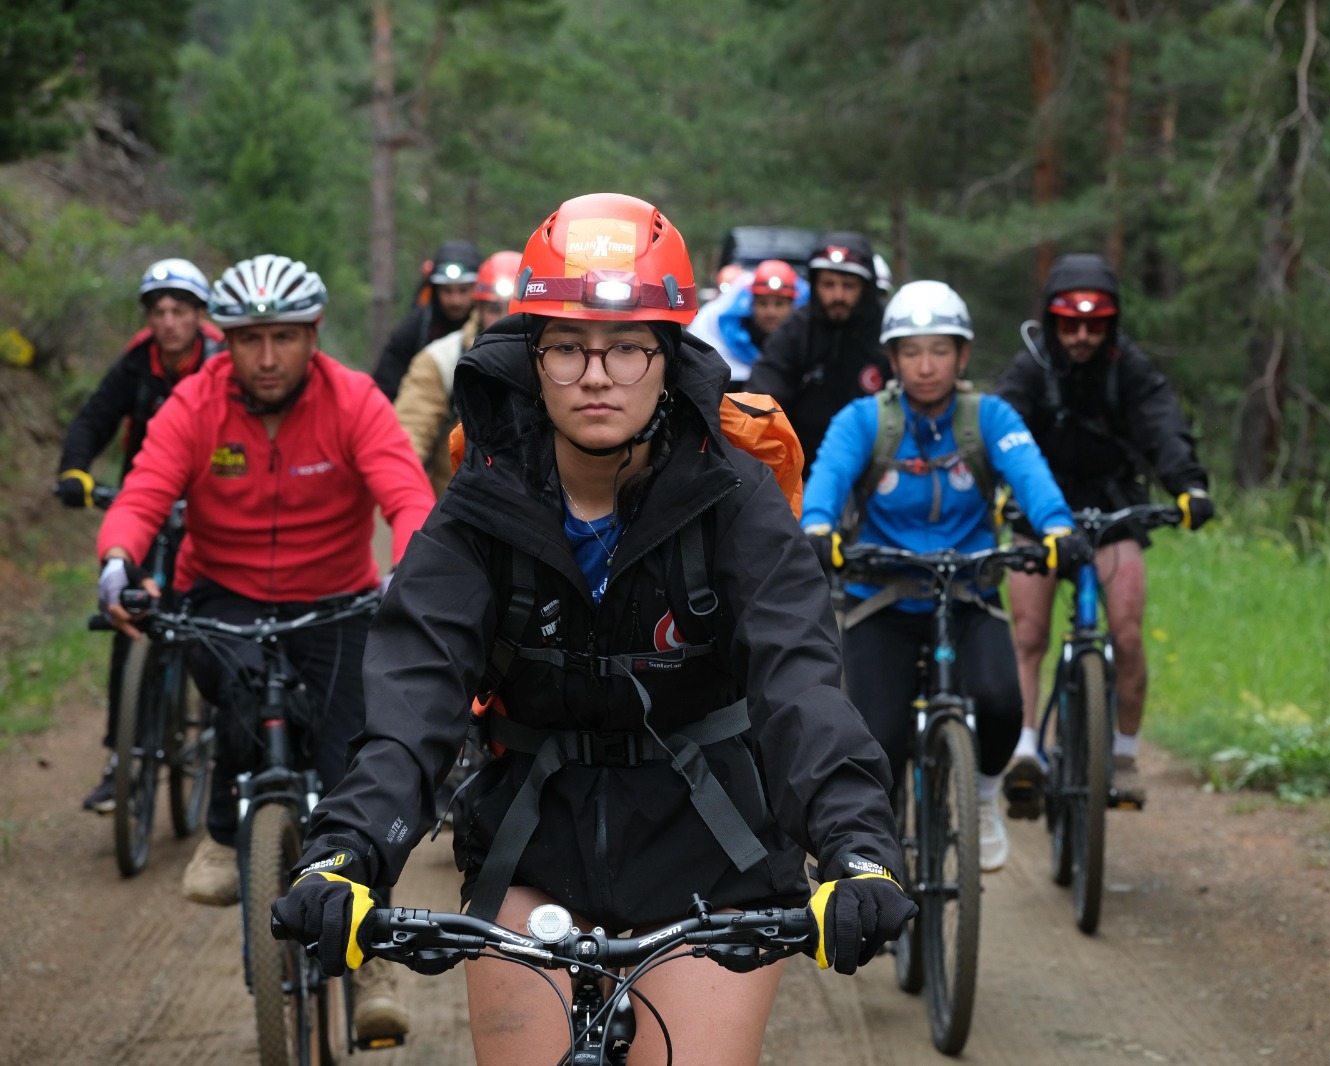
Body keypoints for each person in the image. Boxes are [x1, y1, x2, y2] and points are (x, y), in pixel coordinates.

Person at [268, 194, 915, 1066]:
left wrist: (857, 851)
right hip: (532, 844)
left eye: (626, 347)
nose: (598, 374)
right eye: (568, 347)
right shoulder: (482, 504)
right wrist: (348, 849)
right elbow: (417, 690)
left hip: (712, 846)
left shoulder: (736, 496)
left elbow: (799, 682)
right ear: (533, 357)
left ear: (668, 355)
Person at [95, 253, 435, 1041]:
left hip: (338, 598)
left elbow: (406, 493)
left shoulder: (353, 399)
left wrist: (412, 570)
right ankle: (224, 831)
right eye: (250, 340)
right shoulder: (195, 401)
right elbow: (147, 489)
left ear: (313, 335)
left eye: (285, 337)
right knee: (238, 695)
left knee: (352, 763)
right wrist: (117, 561)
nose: (269, 357)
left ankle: (373, 955)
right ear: (229, 341)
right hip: (224, 591)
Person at [799, 280, 1090, 873]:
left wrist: (1057, 528)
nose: (926, 366)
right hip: (881, 598)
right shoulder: (865, 420)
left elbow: (1030, 475)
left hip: (968, 595)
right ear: (894, 360)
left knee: (1004, 705)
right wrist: (819, 526)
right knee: (877, 739)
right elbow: (827, 476)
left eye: (940, 350)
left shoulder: (989, 417)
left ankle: (982, 801)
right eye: (911, 351)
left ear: (962, 355)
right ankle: (876, 860)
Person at [996, 253, 1213, 814]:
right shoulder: (1031, 367)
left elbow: (1162, 422)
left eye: (1096, 323)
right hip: (1039, 512)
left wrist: (1187, 486)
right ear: (1053, 320)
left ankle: (1122, 753)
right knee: (1028, 634)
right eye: (1071, 322)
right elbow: (1000, 426)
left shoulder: (1129, 368)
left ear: (1111, 323)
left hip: (1113, 509)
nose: (1083, 335)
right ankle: (1025, 750)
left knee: (1129, 633)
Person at [57, 257, 224, 813]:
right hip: (146, 503)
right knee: (125, 615)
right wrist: (76, 470)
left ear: (200, 317)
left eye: (180, 310)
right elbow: (93, 419)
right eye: (160, 311)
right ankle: (121, 759)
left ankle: (222, 737)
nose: (170, 321)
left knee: (208, 618)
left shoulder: (224, 362)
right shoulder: (137, 365)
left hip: (209, 507)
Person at [746, 231, 890, 469]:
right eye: (828, 284)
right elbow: (762, 394)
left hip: (878, 467)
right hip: (804, 468)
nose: (838, 295)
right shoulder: (796, 330)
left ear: (867, 288)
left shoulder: (887, 334)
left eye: (849, 286)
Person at [394, 249, 520, 494]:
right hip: (456, 515)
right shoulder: (440, 360)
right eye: (494, 308)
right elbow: (408, 439)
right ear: (478, 308)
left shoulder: (559, 359)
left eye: (515, 307)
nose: (505, 319)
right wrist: (409, 504)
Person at [370, 238, 484, 400]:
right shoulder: (412, 332)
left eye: (463, 290)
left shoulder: (491, 325)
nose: (455, 300)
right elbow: (384, 391)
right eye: (447, 290)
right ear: (435, 290)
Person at [688, 259, 807, 387]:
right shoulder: (729, 340)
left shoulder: (804, 342)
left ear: (792, 306)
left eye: (779, 304)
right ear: (751, 304)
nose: (770, 312)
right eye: (763, 303)